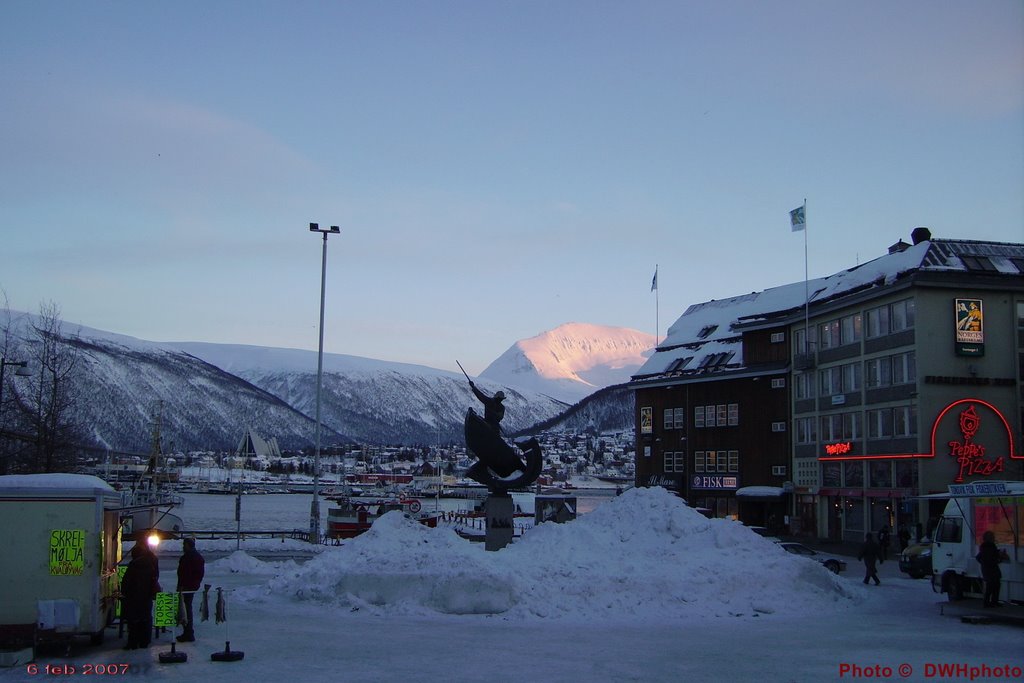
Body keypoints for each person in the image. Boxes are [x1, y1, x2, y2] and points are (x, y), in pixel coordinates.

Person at [121, 543, 159, 649]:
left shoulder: (133, 565)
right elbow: (154, 580)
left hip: (133, 598)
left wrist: (124, 593)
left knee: (133, 621)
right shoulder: (150, 564)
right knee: (145, 619)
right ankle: (144, 641)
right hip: (146, 598)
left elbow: (126, 582)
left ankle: (132, 642)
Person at [176, 537, 205, 642]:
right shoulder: (197, 557)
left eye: (184, 545)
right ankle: (187, 631)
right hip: (190, 586)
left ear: (188, 545)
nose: (183, 547)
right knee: (187, 607)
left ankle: (188, 632)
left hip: (186, 587)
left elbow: (184, 574)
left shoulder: (188, 557)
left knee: (185, 608)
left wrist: (182, 586)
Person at [976, 530, 1007, 608]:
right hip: (990, 570)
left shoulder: (987, 546)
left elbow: (979, 557)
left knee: (995, 585)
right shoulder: (987, 547)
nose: (993, 538)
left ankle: (992, 602)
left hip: (990, 569)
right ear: (988, 538)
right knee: (992, 586)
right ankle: (989, 602)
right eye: (992, 537)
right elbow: (989, 558)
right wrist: (998, 559)